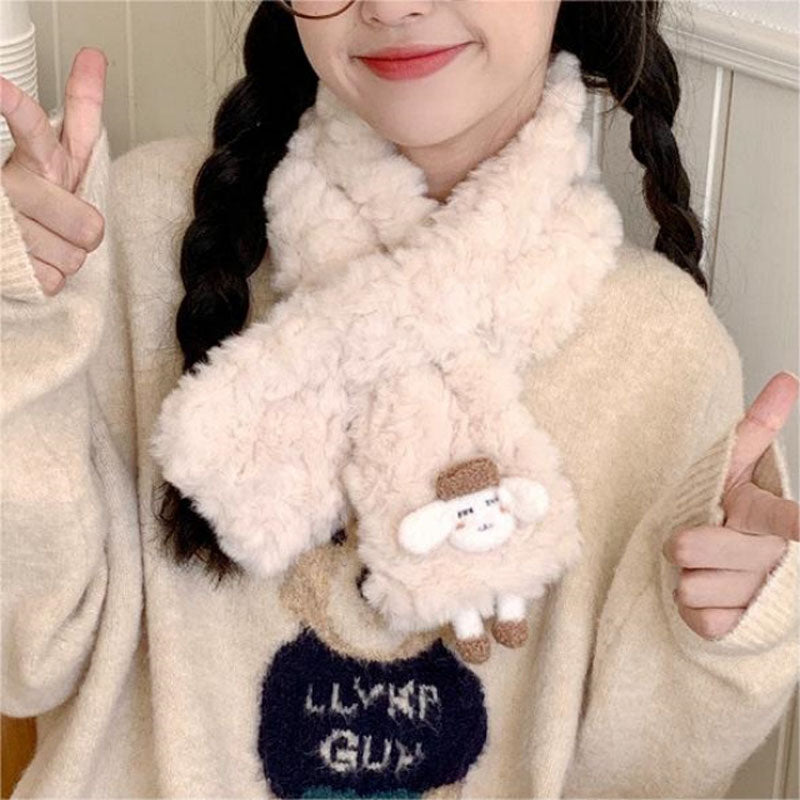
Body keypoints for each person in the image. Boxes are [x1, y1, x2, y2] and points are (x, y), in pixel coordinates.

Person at [1, 1, 798, 797]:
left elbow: (637, 779)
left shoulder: (661, 350)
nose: (391, 5)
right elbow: (27, 661)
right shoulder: (139, 229)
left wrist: (726, 646)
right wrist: (18, 330)